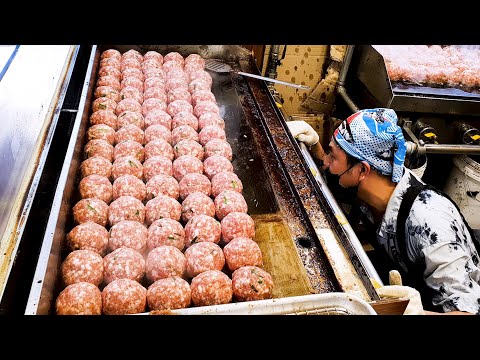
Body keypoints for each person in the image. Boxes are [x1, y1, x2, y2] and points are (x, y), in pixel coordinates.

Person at [287, 108, 480, 315]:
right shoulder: (377, 183)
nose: (326, 162)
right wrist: (314, 144)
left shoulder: (429, 224)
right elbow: (336, 176)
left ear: (362, 170)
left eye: (332, 156)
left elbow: (468, 310)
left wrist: (418, 314)